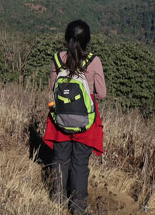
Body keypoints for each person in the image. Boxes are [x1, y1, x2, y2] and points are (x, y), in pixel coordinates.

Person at [42, 20, 106, 215]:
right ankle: (78, 207)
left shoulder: (57, 58)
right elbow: (101, 94)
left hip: (60, 118)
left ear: (66, 37)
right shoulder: (94, 61)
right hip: (85, 121)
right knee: (80, 163)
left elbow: (53, 88)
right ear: (87, 40)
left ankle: (57, 198)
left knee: (60, 158)